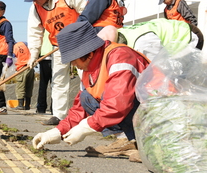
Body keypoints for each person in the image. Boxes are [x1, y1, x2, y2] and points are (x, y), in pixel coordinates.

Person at [32, 21, 150, 150]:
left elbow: (118, 103)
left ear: (88, 54)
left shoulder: (120, 57)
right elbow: (79, 109)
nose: (73, 65)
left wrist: (86, 127)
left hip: (152, 115)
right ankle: (126, 140)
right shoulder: (90, 69)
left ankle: (143, 141)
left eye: (74, 60)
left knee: (107, 96)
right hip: (133, 113)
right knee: (86, 97)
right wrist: (57, 132)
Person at [24, 0, 86, 125]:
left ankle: (92, 113)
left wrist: (80, 30)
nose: (34, 1)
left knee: (86, 76)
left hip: (79, 40)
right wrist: (33, 55)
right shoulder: (35, 9)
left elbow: (85, 10)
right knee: (58, 80)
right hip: (58, 46)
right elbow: (34, 33)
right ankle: (59, 116)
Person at [101, 18, 204, 61]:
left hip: (188, 36)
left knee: (177, 77)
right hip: (176, 30)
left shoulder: (142, 44)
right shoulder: (121, 33)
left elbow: (160, 68)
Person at [12, 41, 35, 110]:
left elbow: (12, 60)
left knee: (20, 87)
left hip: (21, 68)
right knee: (29, 86)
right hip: (30, 67)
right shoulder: (24, 43)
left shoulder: (12, 49)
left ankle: (20, 105)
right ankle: (27, 105)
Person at [36, 31, 53, 114]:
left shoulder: (44, 28)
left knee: (43, 85)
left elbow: (38, 41)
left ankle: (41, 107)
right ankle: (53, 108)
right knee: (54, 85)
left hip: (48, 56)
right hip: (47, 57)